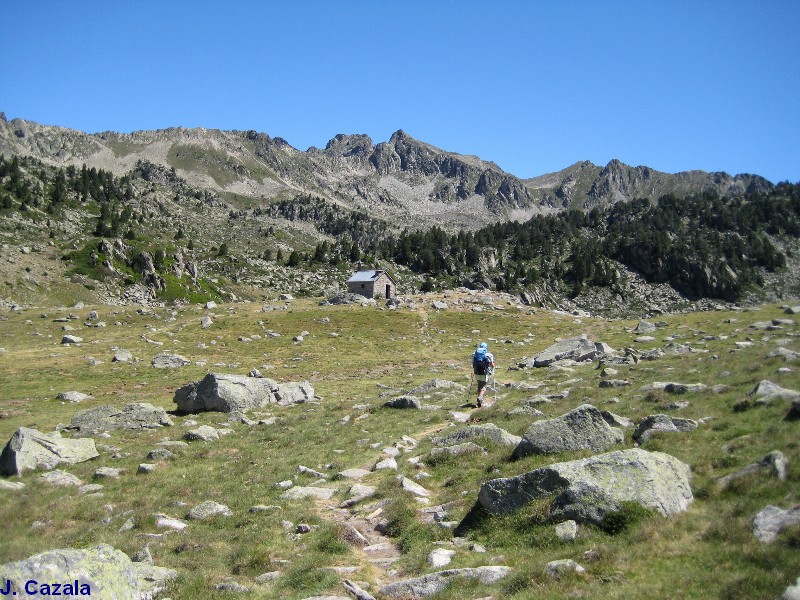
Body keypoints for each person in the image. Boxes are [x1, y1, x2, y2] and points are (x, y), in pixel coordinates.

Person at [472, 342, 495, 407]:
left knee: (479, 385)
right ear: (486, 347)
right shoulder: (488, 355)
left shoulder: (474, 354)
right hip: (484, 372)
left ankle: (479, 401)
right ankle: (480, 397)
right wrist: (492, 367)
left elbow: (473, 363)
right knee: (484, 385)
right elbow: (492, 364)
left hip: (476, 372)